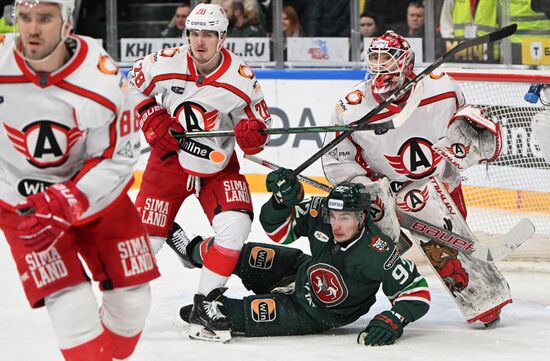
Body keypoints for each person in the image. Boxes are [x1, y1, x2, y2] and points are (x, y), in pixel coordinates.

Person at [0, 1, 159, 360]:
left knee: (132, 301)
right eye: (24, 18)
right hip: (26, 206)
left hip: (100, 201)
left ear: (67, 23)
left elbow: (118, 156)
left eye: (44, 18)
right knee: (71, 307)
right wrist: (25, 200)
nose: (32, 29)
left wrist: (70, 197)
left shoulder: (99, 77)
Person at [321, 31, 507, 326]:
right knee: (369, 253)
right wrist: (370, 191)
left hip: (438, 186)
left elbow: (462, 126)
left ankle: (484, 301)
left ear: (407, 62)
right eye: (375, 57)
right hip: (384, 193)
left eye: (388, 57)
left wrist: (470, 135)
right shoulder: (351, 107)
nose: (380, 65)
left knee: (459, 263)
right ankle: (341, 298)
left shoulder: (442, 87)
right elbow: (338, 158)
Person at [127, 2, 271, 342]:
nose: (200, 41)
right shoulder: (164, 63)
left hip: (217, 167)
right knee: (146, 242)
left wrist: (252, 135)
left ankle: (205, 303)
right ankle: (120, 304)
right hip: (169, 160)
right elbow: (132, 87)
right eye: (194, 33)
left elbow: (257, 129)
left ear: (223, 38)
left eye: (208, 34)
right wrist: (151, 116)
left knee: (235, 227)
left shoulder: (242, 79)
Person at [175, 176, 430, 345]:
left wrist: (395, 319)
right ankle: (192, 251)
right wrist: (280, 201)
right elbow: (279, 231)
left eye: (345, 218)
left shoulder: (378, 250)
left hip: (314, 313)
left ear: (362, 217)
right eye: (333, 216)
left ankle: (216, 309)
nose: (336, 225)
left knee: (237, 314)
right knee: (243, 253)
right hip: (300, 270)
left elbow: (416, 293)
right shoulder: (320, 213)